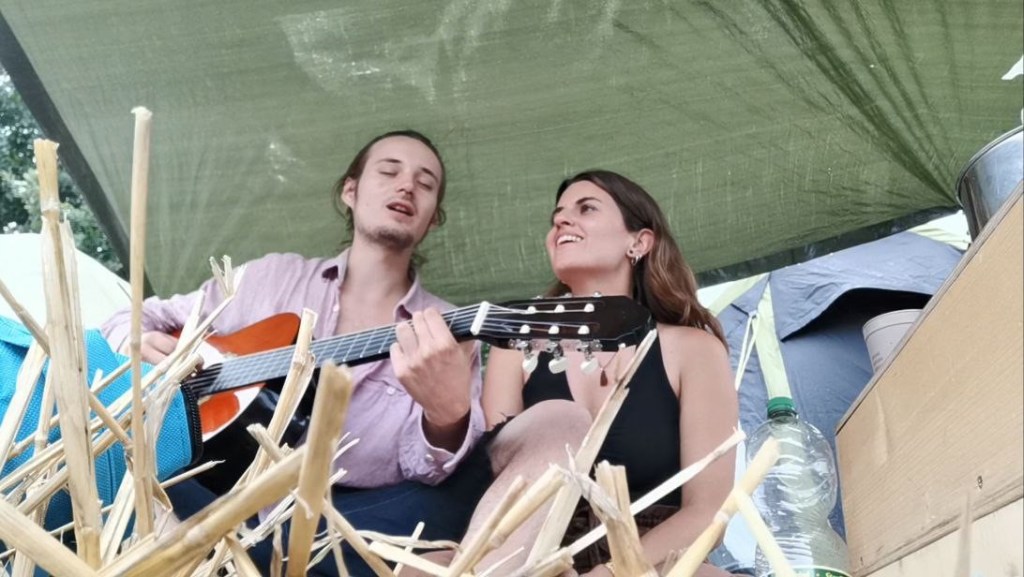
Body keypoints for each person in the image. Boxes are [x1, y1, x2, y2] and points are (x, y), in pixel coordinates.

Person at [100, 130, 486, 576]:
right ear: (350, 191)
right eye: (389, 171)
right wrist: (137, 342)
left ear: (433, 218)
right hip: (214, 495)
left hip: (344, 526)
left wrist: (447, 417)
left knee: (439, 514)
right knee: (119, 467)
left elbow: (428, 470)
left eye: (425, 183)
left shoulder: (447, 329)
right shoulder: (270, 277)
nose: (406, 186)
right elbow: (136, 318)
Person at [421, 170, 739, 576]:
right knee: (421, 568)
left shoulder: (694, 349)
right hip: (531, 556)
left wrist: (613, 571)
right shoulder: (514, 345)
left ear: (639, 242)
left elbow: (709, 511)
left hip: (652, 561)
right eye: (556, 215)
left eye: (586, 208)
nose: (561, 220)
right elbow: (499, 477)